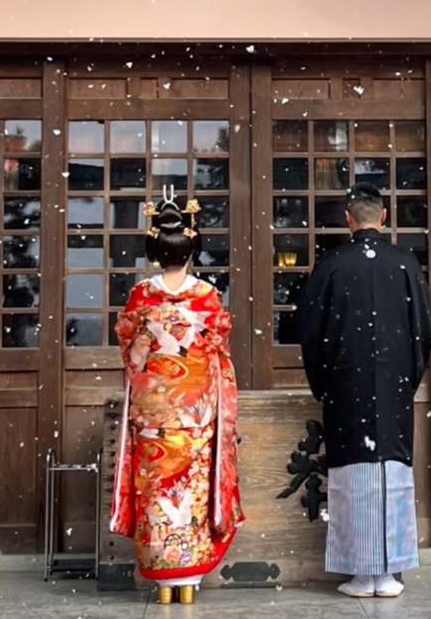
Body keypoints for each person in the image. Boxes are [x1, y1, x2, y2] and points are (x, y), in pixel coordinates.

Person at [295, 182, 431, 599]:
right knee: (391, 469)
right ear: (384, 218)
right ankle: (389, 572)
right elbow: (423, 331)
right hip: (392, 385)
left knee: (352, 471)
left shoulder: (333, 265)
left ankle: (359, 571)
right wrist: (408, 377)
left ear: (349, 220)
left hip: (345, 382)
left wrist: (322, 380)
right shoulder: (404, 263)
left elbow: (309, 330)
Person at [110, 197, 244, 605]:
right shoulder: (207, 297)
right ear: (192, 249)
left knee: (156, 492)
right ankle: (190, 577)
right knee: (191, 494)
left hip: (153, 415)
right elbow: (219, 347)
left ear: (154, 252)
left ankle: (162, 577)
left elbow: (129, 350)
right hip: (196, 415)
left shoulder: (139, 297)